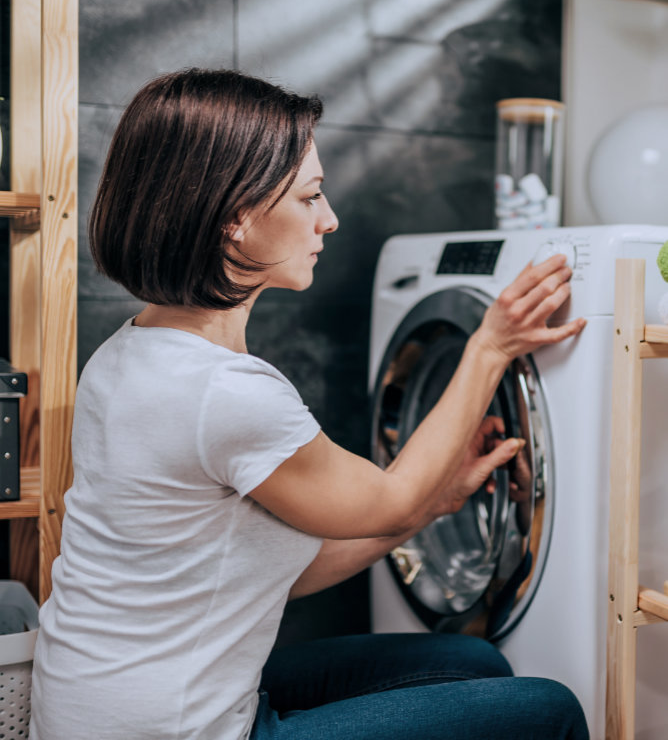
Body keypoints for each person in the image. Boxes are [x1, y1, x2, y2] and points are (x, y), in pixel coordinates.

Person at [29, 68, 589, 740]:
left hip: (100, 710)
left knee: (470, 659)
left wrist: (435, 503)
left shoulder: (126, 352)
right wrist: (490, 347)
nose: (330, 219)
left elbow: (256, 571)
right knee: (551, 710)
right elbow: (392, 499)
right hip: (177, 732)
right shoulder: (227, 393)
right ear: (235, 221)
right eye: (310, 196)